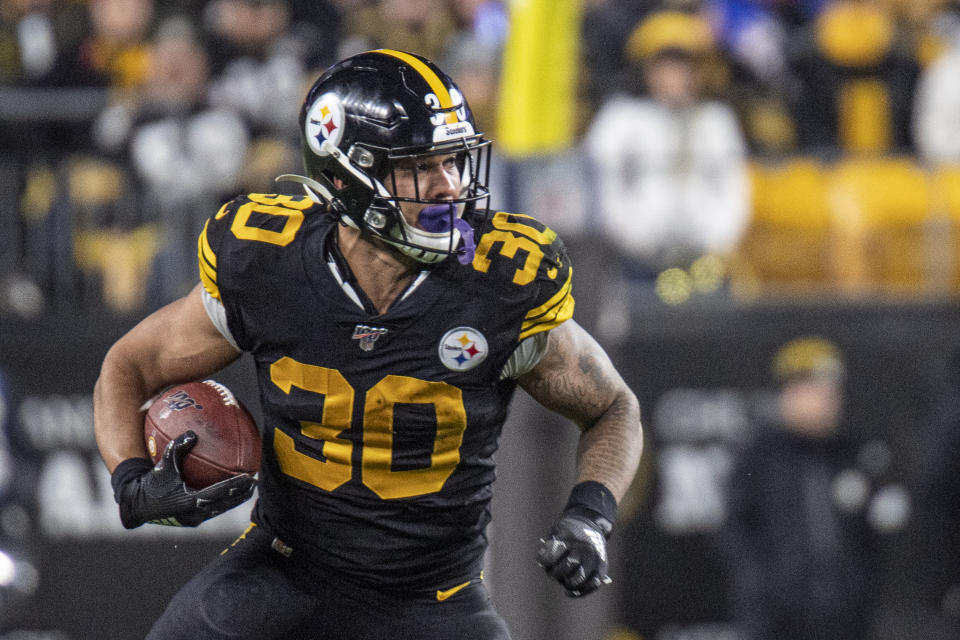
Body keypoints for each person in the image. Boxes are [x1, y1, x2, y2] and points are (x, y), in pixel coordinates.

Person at [93, 49, 643, 639]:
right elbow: (130, 365)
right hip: (282, 573)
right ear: (345, 176)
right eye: (418, 166)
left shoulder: (499, 282)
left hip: (434, 600)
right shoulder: (269, 264)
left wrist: (591, 515)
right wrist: (130, 481)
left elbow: (613, 407)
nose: (448, 185)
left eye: (454, 161)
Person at [721, 336, 877, 640]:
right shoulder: (760, 454)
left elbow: (867, 537)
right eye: (817, 392)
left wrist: (856, 588)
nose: (828, 403)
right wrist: (765, 585)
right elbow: (736, 527)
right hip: (776, 619)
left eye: (833, 394)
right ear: (791, 393)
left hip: (841, 616)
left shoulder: (848, 453)